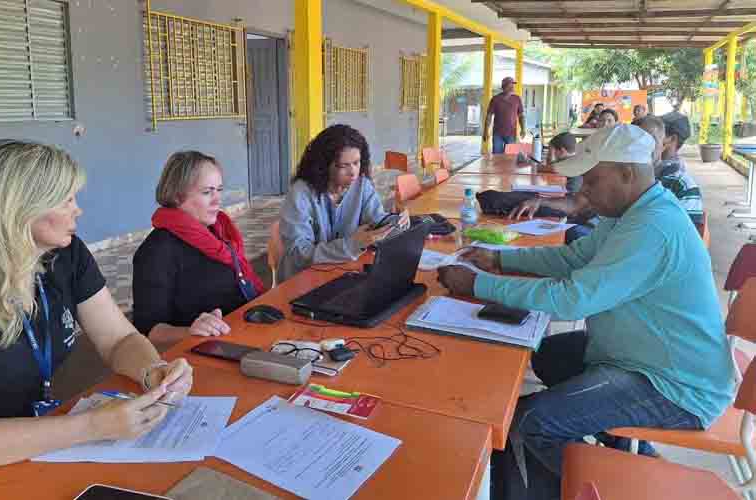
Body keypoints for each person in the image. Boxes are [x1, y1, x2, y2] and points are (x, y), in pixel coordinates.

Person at [437, 125, 734, 500]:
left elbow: (573, 298)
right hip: (635, 354)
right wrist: (500, 258)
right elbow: (574, 258)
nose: (584, 191)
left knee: (531, 422)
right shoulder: (629, 213)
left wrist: (477, 285)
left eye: (592, 180)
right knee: (546, 358)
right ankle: (628, 451)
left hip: (672, 384)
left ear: (628, 173)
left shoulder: (652, 227)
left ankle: (614, 487)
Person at [0, 140, 194, 490]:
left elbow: (119, 338)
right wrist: (91, 427)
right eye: (67, 199)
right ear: (19, 209)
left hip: (30, 436)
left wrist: (153, 372)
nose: (78, 211)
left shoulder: (65, 255)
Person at [133, 151, 265, 346]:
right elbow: (148, 330)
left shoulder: (219, 231)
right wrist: (191, 331)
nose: (217, 199)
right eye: (207, 192)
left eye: (219, 190)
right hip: (206, 350)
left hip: (245, 330)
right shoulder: (157, 251)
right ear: (177, 197)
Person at [277, 124, 409, 282]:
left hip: (344, 273)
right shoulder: (300, 194)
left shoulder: (362, 185)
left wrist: (395, 222)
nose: (353, 172)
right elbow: (299, 254)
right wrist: (352, 245)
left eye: (356, 163)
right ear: (324, 167)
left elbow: (376, 221)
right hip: (301, 281)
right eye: (343, 165)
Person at [510, 133, 597, 243]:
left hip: (582, 221)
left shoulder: (571, 163)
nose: (549, 154)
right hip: (579, 214)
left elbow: (545, 168)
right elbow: (574, 204)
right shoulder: (579, 162)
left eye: (550, 150)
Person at [634, 114, 704, 227]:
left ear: (666, 142)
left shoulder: (681, 184)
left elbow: (685, 235)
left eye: (650, 139)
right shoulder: (626, 179)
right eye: (635, 139)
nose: (640, 145)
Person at [483, 76, 526, 154]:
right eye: (510, 85)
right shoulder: (495, 99)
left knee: (510, 158)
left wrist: (523, 129)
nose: (512, 87)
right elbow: (489, 116)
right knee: (497, 158)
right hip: (497, 134)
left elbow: (521, 116)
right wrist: (485, 131)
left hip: (511, 134)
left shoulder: (517, 99)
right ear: (504, 86)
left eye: (513, 85)